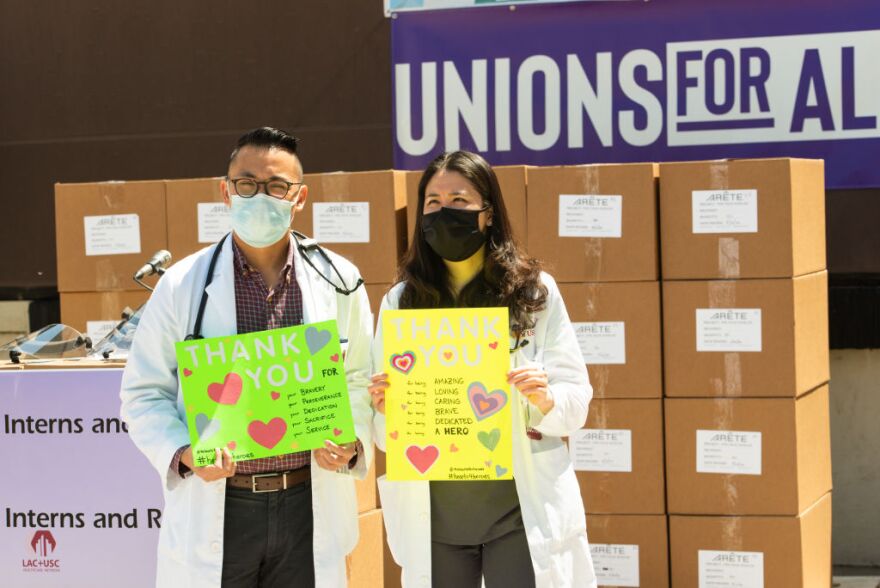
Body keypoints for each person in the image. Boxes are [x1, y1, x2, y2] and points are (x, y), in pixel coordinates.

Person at [120, 127, 374, 588]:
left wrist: (350, 439)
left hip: (307, 503)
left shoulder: (340, 280)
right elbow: (142, 394)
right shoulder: (181, 286)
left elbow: (359, 377)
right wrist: (184, 453)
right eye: (247, 184)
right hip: (223, 506)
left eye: (277, 187)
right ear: (226, 191)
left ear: (299, 198)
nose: (261, 196)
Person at [369, 151, 597, 588]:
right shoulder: (401, 301)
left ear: (488, 214)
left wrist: (545, 399)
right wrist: (385, 405)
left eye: (459, 200)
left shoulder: (533, 292)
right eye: (433, 203)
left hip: (517, 508)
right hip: (435, 515)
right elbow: (385, 435)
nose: (444, 211)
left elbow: (576, 402)